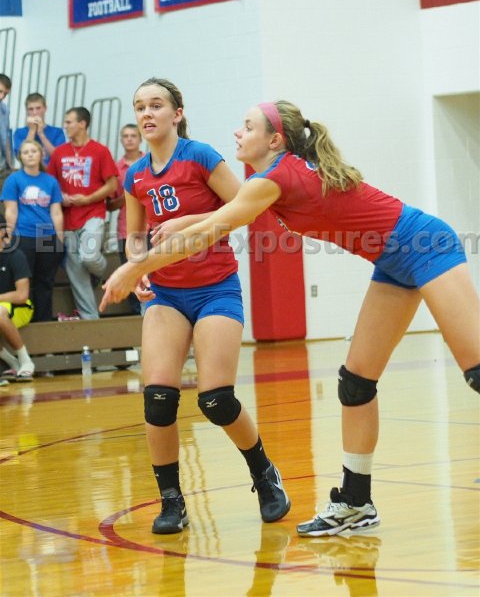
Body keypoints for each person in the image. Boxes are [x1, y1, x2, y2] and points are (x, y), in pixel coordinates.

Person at [100, 99, 480, 537]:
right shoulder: (270, 178)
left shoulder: (274, 178)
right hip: (393, 262)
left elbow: (209, 232)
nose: (238, 133)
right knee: (355, 384)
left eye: (247, 127)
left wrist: (133, 268)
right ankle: (356, 503)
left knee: (475, 371)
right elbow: (215, 219)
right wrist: (180, 228)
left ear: (274, 140)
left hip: (426, 245)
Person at [103, 77, 290, 535]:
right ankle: (171, 500)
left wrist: (189, 220)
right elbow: (135, 235)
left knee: (216, 400)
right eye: (140, 107)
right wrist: (138, 266)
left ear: (177, 113)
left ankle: (264, 473)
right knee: (158, 399)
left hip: (215, 288)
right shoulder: (135, 175)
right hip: (166, 294)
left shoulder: (200, 156)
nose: (147, 114)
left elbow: (247, 207)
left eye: (156, 105)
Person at [47, 107, 118, 320]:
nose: (65, 126)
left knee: (89, 256)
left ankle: (102, 272)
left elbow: (112, 184)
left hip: (93, 214)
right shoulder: (59, 153)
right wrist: (60, 196)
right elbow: (50, 184)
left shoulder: (100, 150)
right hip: (67, 219)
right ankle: (90, 321)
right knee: (76, 273)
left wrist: (88, 199)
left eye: (69, 122)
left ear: (82, 124)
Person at [1, 139, 64, 322]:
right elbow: (11, 211)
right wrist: (8, 237)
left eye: (34, 151)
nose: (30, 155)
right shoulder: (14, 180)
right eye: (26, 152)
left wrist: (59, 239)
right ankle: (26, 321)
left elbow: (56, 212)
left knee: (45, 282)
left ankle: (43, 322)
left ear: (41, 154)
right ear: (20, 157)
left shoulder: (50, 181)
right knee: (24, 280)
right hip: (23, 235)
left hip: (47, 236)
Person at [106, 123, 144, 315]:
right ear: (121, 140)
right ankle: (137, 315)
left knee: (156, 273)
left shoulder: (151, 161)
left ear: (140, 139)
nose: (129, 139)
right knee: (131, 273)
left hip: (154, 227)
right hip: (126, 229)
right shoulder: (116, 168)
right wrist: (126, 197)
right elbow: (109, 205)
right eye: (126, 136)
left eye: (133, 136)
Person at [0, 214, 35, 382]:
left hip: (20, 306)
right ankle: (12, 362)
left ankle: (26, 361)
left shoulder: (15, 255)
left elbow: (22, 295)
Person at [13, 92, 66, 167]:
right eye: (31, 109)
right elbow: (20, 157)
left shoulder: (57, 132)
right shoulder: (19, 133)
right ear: (27, 111)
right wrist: (32, 131)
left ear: (45, 108)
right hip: (28, 172)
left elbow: (58, 157)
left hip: (50, 172)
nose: (35, 113)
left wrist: (41, 134)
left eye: (38, 108)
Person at [0, 74, 14, 192]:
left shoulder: (5, 109)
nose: (2, 96)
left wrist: (10, 163)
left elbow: (6, 137)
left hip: (2, 167)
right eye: (0, 91)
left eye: (5, 94)